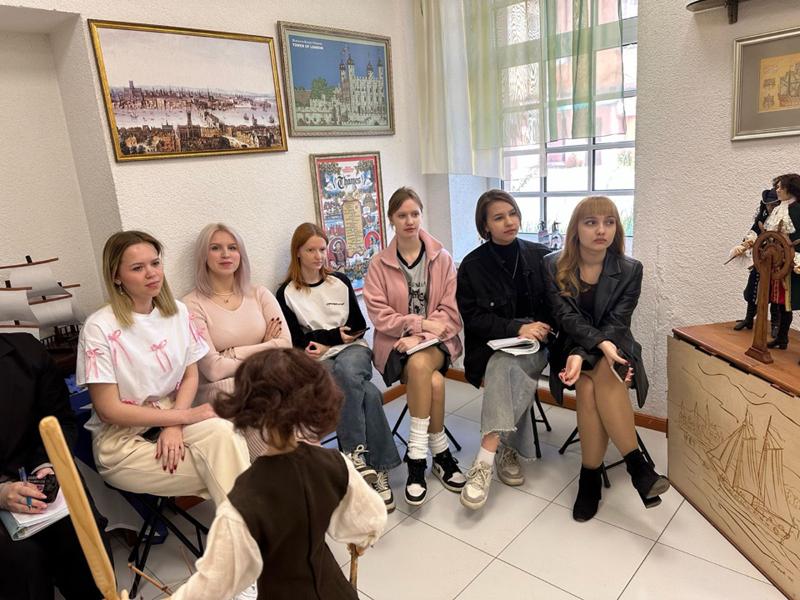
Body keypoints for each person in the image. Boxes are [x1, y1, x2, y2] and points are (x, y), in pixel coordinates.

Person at [169, 348, 387, 600]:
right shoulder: (335, 463)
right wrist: (361, 539)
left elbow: (213, 585)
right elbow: (370, 521)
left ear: (248, 408)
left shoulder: (243, 501)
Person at [76, 230, 250, 509]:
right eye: (137, 268)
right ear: (116, 276)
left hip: (172, 421)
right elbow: (109, 410)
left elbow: (190, 376)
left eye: (155, 263)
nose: (151, 273)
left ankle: (248, 533)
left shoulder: (178, 312)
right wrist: (183, 416)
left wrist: (174, 424)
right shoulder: (99, 327)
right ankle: (259, 532)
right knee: (230, 466)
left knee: (225, 434)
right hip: (123, 443)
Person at [543, 196, 669, 522]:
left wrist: (593, 349)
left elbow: (617, 323)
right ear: (576, 229)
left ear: (617, 228)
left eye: (609, 222)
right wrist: (585, 349)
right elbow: (566, 319)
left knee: (591, 384)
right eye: (591, 222)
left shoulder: (630, 269)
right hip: (571, 345)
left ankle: (590, 479)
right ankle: (638, 467)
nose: (601, 230)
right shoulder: (552, 265)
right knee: (598, 370)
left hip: (616, 345)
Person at [276, 223, 400, 512]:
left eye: (322, 249)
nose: (319, 256)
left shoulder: (339, 281)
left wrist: (326, 339)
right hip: (316, 360)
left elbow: (358, 326)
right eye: (311, 250)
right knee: (369, 394)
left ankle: (353, 454)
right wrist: (332, 338)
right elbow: (296, 342)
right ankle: (377, 468)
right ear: (297, 252)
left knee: (346, 373)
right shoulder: (287, 293)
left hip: (353, 350)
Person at [364, 186, 465, 506]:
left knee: (422, 364)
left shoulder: (442, 259)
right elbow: (380, 316)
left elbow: (450, 314)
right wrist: (419, 325)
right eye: (402, 215)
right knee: (433, 381)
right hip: (397, 347)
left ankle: (417, 458)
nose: (409, 221)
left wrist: (420, 336)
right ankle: (440, 453)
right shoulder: (378, 265)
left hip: (437, 344)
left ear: (421, 215)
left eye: (415, 214)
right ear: (391, 219)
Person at [455, 189, 553, 510]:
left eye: (512, 214)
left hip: (536, 345)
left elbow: (557, 308)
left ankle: (484, 460)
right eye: (499, 217)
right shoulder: (472, 266)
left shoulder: (540, 256)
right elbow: (474, 319)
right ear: (485, 226)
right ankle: (506, 448)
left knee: (505, 367)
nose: (509, 222)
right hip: (491, 347)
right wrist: (516, 328)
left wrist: (536, 329)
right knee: (503, 365)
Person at [0, 333, 109, 599]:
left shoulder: (27, 352)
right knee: (21, 561)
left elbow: (60, 418)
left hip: (37, 474)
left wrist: (48, 465)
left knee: (83, 536)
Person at [183, 223, 291, 458]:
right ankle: (277, 466)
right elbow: (213, 370)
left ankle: (299, 464)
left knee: (290, 394)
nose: (225, 254)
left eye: (232, 247)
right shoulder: (191, 304)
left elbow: (285, 345)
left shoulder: (259, 294)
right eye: (215, 248)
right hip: (220, 389)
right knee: (260, 401)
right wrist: (266, 346)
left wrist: (232, 352)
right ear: (203, 256)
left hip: (264, 377)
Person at [729, 189, 781, 335]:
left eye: (774, 204)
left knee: (775, 295)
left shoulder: (784, 220)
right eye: (768, 205)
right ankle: (748, 319)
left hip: (777, 264)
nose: (771, 207)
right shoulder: (762, 218)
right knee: (752, 289)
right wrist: (744, 246)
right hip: (761, 261)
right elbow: (752, 235)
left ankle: (776, 325)